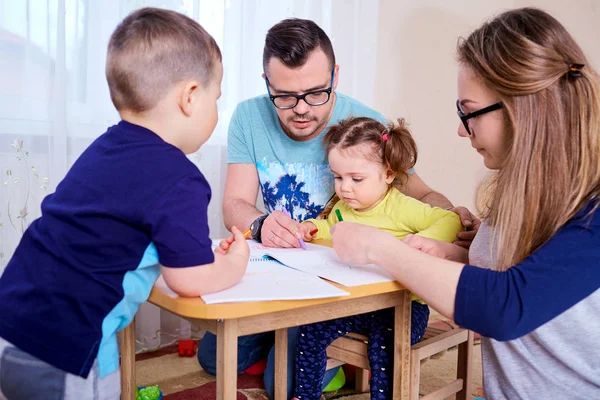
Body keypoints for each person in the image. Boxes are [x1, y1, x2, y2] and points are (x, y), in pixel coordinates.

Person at [201, 18, 479, 399]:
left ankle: (310, 349)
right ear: (266, 82)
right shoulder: (249, 117)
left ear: (335, 75)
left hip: (335, 287)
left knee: (284, 382)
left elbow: (425, 197)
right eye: (283, 96)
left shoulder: (364, 128)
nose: (300, 109)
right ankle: (282, 337)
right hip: (284, 268)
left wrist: (451, 222)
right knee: (212, 357)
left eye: (316, 93)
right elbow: (234, 203)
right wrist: (262, 223)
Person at [330, 8, 600, 400]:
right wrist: (454, 253)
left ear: (523, 108)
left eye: (469, 112)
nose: (461, 128)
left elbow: (506, 305)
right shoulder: (520, 192)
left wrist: (380, 248)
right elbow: (525, 274)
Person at [0, 8, 249, 400]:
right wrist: (234, 264)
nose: (217, 112)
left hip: (10, 323)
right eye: (216, 98)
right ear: (190, 97)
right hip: (70, 350)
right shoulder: (180, 177)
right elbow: (188, 279)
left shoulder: (103, 149)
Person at [291, 116, 463, 400]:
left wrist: (422, 242)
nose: (345, 188)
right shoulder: (344, 208)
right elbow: (330, 229)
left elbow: (449, 220)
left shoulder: (401, 207)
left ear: (388, 174)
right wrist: (311, 227)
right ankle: (304, 395)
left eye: (356, 179)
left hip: (404, 311)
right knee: (311, 329)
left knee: (383, 345)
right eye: (338, 177)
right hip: (357, 305)